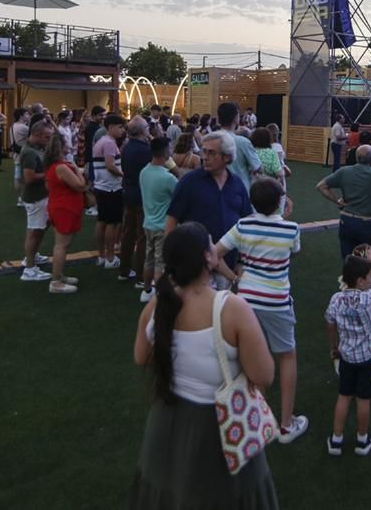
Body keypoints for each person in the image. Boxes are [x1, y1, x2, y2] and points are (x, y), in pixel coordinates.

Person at [130, 222, 278, 508]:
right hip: (220, 430)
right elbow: (264, 374)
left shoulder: (157, 305)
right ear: (207, 258)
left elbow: (141, 356)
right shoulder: (231, 308)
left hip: (166, 423)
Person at [214, 178, 307, 444]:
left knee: (253, 359)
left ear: (251, 201)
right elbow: (293, 252)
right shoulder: (291, 229)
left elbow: (214, 253)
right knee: (287, 356)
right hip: (276, 301)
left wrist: (233, 277)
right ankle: (286, 426)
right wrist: (285, 219)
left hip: (245, 301)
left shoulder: (242, 225)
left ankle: (258, 421)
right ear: (279, 202)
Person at [166, 132, 253, 288]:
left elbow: (247, 223)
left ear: (227, 157)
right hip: (195, 266)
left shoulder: (237, 184)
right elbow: (171, 221)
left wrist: (241, 260)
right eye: (204, 151)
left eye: (211, 153)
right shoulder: (189, 182)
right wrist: (172, 260)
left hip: (228, 264)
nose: (204, 156)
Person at [324, 253, 371, 457]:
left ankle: (336, 439)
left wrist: (334, 347)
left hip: (347, 357)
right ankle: (362, 439)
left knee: (344, 396)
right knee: (363, 399)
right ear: (360, 281)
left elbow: (330, 324)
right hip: (368, 357)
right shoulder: (368, 298)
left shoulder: (336, 299)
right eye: (368, 276)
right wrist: (370, 259)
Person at [44, 131, 85, 294]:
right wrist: (77, 171)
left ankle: (59, 275)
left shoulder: (56, 166)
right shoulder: (62, 167)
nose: (72, 145)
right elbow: (80, 185)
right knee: (61, 245)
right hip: (64, 208)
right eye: (68, 142)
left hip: (64, 206)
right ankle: (56, 282)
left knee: (64, 244)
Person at [139, 137, 178, 303]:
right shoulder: (168, 178)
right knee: (161, 263)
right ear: (165, 151)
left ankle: (146, 290)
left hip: (148, 223)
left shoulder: (144, 172)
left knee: (149, 259)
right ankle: (160, 294)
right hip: (163, 226)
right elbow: (180, 193)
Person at [19, 120, 56, 280]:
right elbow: (29, 177)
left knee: (36, 229)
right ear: (37, 135)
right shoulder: (29, 152)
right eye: (47, 137)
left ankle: (31, 257)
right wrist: (50, 174)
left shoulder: (34, 149)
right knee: (35, 231)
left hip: (38, 196)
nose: (49, 140)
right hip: (35, 197)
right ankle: (30, 268)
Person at [119, 117, 152, 286]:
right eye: (146, 127)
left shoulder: (126, 147)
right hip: (141, 194)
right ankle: (140, 275)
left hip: (129, 192)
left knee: (128, 233)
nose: (149, 128)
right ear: (141, 130)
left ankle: (124, 270)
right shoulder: (145, 149)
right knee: (141, 237)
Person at [93, 114, 127, 270]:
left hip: (101, 186)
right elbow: (110, 165)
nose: (122, 130)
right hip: (110, 187)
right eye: (120, 127)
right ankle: (110, 257)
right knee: (112, 223)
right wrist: (124, 176)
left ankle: (101, 256)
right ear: (111, 127)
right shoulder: (109, 143)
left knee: (102, 221)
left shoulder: (102, 141)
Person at [217, 102, 261, 187]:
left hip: (216, 188)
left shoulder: (209, 140)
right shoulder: (243, 142)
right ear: (235, 118)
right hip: (239, 189)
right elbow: (257, 167)